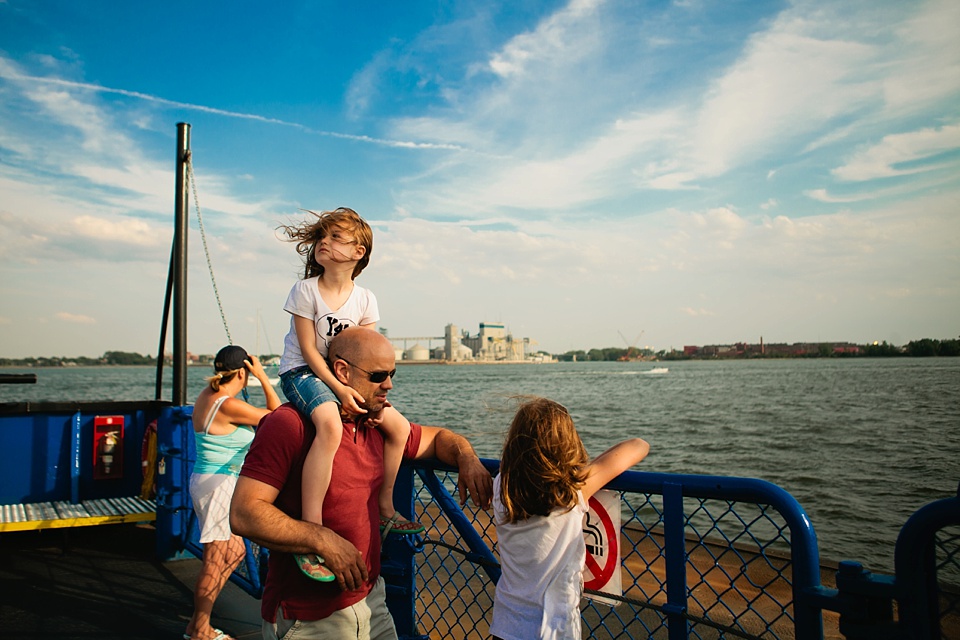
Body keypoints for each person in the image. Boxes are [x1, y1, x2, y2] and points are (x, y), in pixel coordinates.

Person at [230, 327, 493, 640]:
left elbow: (437, 440)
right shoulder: (289, 424)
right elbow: (244, 513)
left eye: (392, 373)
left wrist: (467, 456)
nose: (389, 384)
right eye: (379, 375)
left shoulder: (377, 422)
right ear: (342, 371)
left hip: (373, 603)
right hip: (308, 618)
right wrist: (321, 539)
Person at [277, 207, 422, 583]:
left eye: (335, 238)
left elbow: (368, 351)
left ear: (359, 252)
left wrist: (375, 399)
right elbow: (310, 350)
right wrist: (339, 389)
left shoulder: (365, 299)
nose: (324, 243)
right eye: (322, 238)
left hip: (343, 377)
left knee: (399, 426)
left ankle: (385, 506)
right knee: (329, 424)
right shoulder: (305, 290)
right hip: (303, 372)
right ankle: (313, 531)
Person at [489, 397, 650, 640]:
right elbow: (639, 445)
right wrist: (584, 468)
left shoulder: (502, 486)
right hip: (553, 630)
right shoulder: (570, 493)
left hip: (505, 625)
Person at [184, 345, 282, 640]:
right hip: (219, 486)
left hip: (209, 481)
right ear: (242, 372)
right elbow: (276, 416)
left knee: (235, 551)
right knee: (215, 560)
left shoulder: (207, 396)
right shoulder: (228, 405)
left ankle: (200, 622)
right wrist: (264, 378)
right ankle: (199, 629)